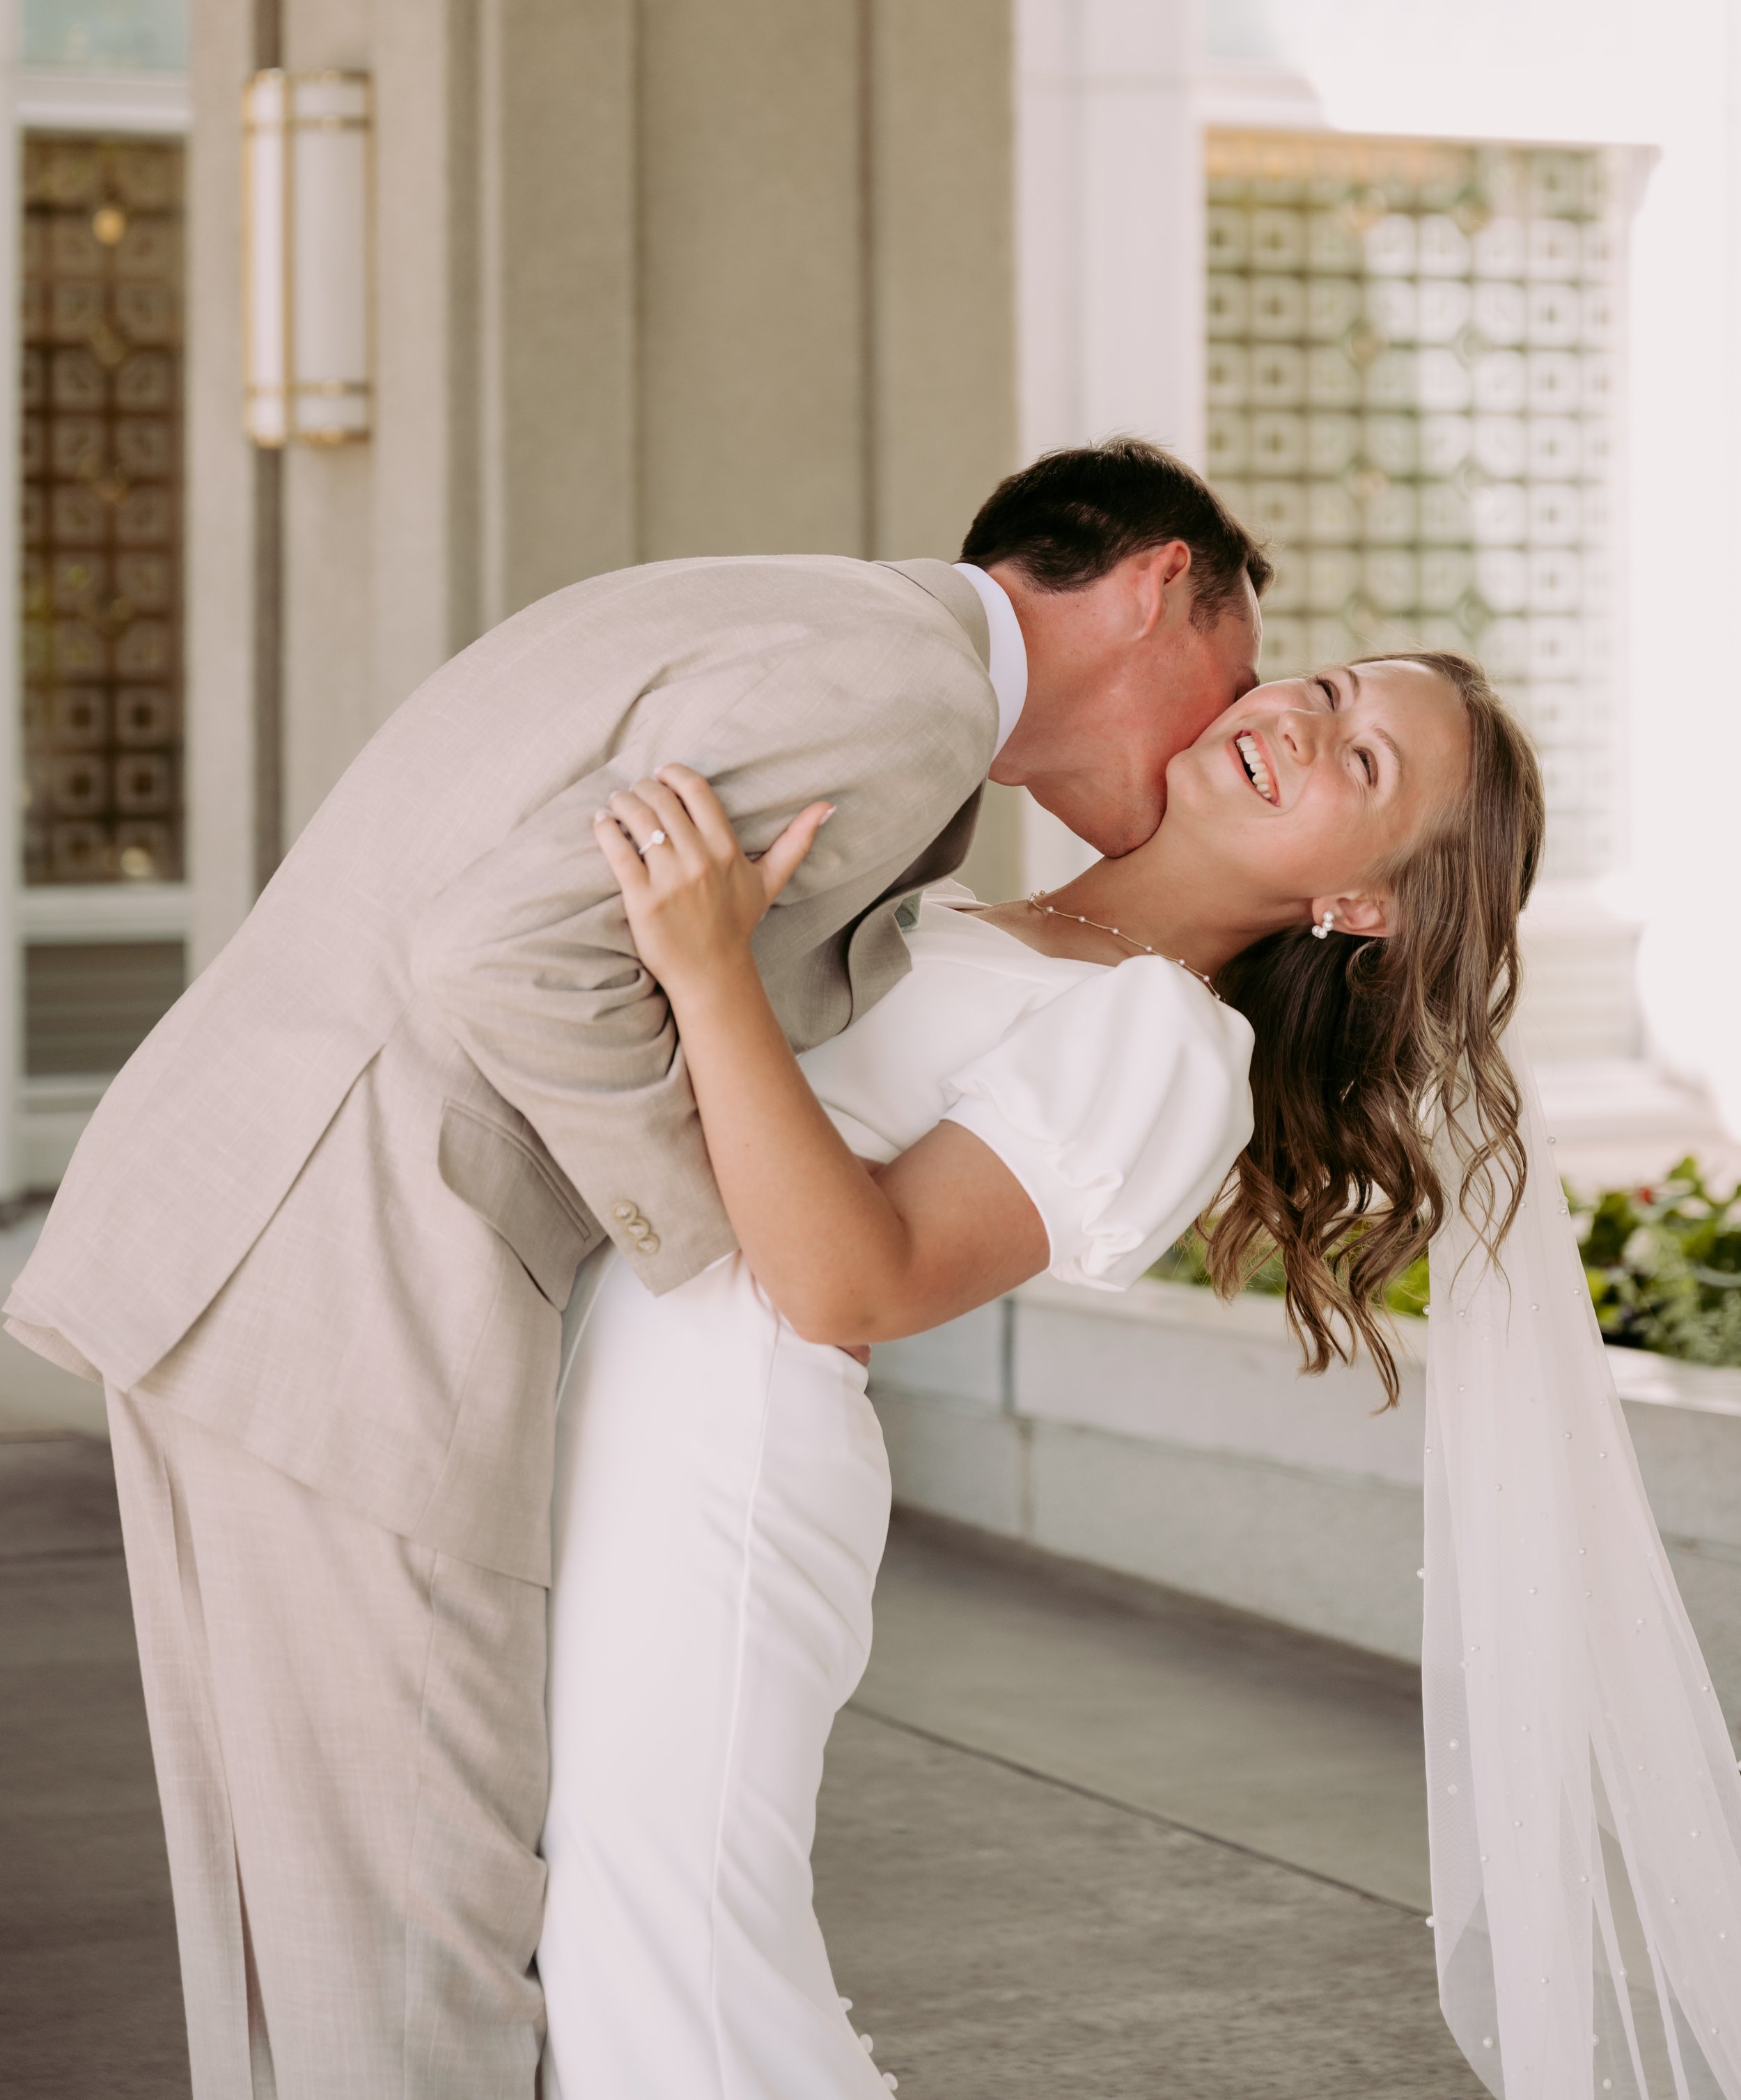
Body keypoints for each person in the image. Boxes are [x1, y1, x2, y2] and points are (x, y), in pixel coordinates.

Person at [3, 439, 1266, 2099]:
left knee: (305, 1932)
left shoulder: (801, 612)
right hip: (367, 1277)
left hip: (250, 1232)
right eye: (1231, 680)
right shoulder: (907, 697)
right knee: (413, 1965)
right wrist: (718, 1252)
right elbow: (505, 955)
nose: (1218, 738)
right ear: (1156, 584)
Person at [550, 652, 1741, 2100]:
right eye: (1322, 683)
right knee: (582, 1930)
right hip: (601, 1395)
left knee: (668, 1959)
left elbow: (852, 1282)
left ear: (1359, 904)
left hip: (719, 1453)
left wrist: (704, 964)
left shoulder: (1164, 1038)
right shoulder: (956, 907)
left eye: (1363, 763)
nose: (1302, 722)